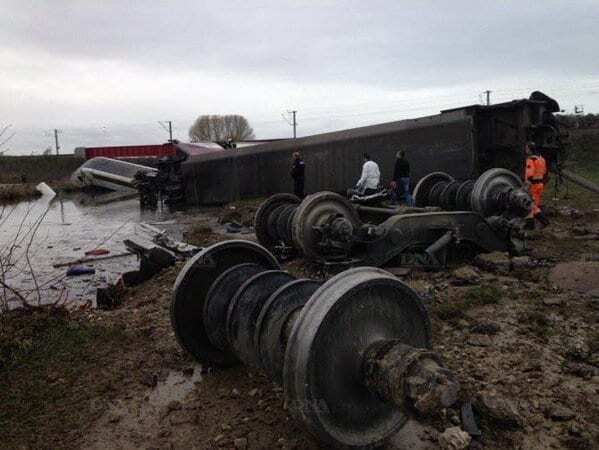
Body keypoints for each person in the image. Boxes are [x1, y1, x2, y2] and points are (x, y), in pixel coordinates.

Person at [525, 142, 550, 227]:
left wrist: (526, 182)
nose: (526, 150)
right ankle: (531, 224)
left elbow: (529, 174)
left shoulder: (531, 160)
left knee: (530, 205)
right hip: (540, 184)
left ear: (530, 150)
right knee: (534, 205)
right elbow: (545, 171)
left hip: (533, 185)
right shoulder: (541, 159)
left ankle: (543, 222)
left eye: (527, 148)